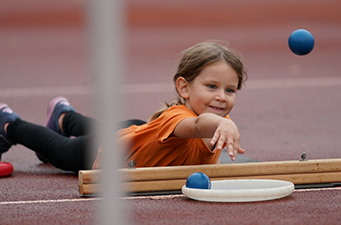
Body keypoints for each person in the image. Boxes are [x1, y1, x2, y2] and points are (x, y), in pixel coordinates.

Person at [0, 41, 247, 173]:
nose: (222, 97)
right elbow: (197, 125)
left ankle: (64, 117)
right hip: (112, 152)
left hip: (141, 136)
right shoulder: (183, 117)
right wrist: (223, 122)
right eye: (212, 86)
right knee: (60, 151)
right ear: (184, 88)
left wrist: (223, 122)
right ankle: (9, 124)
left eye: (230, 90)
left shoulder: (220, 122)